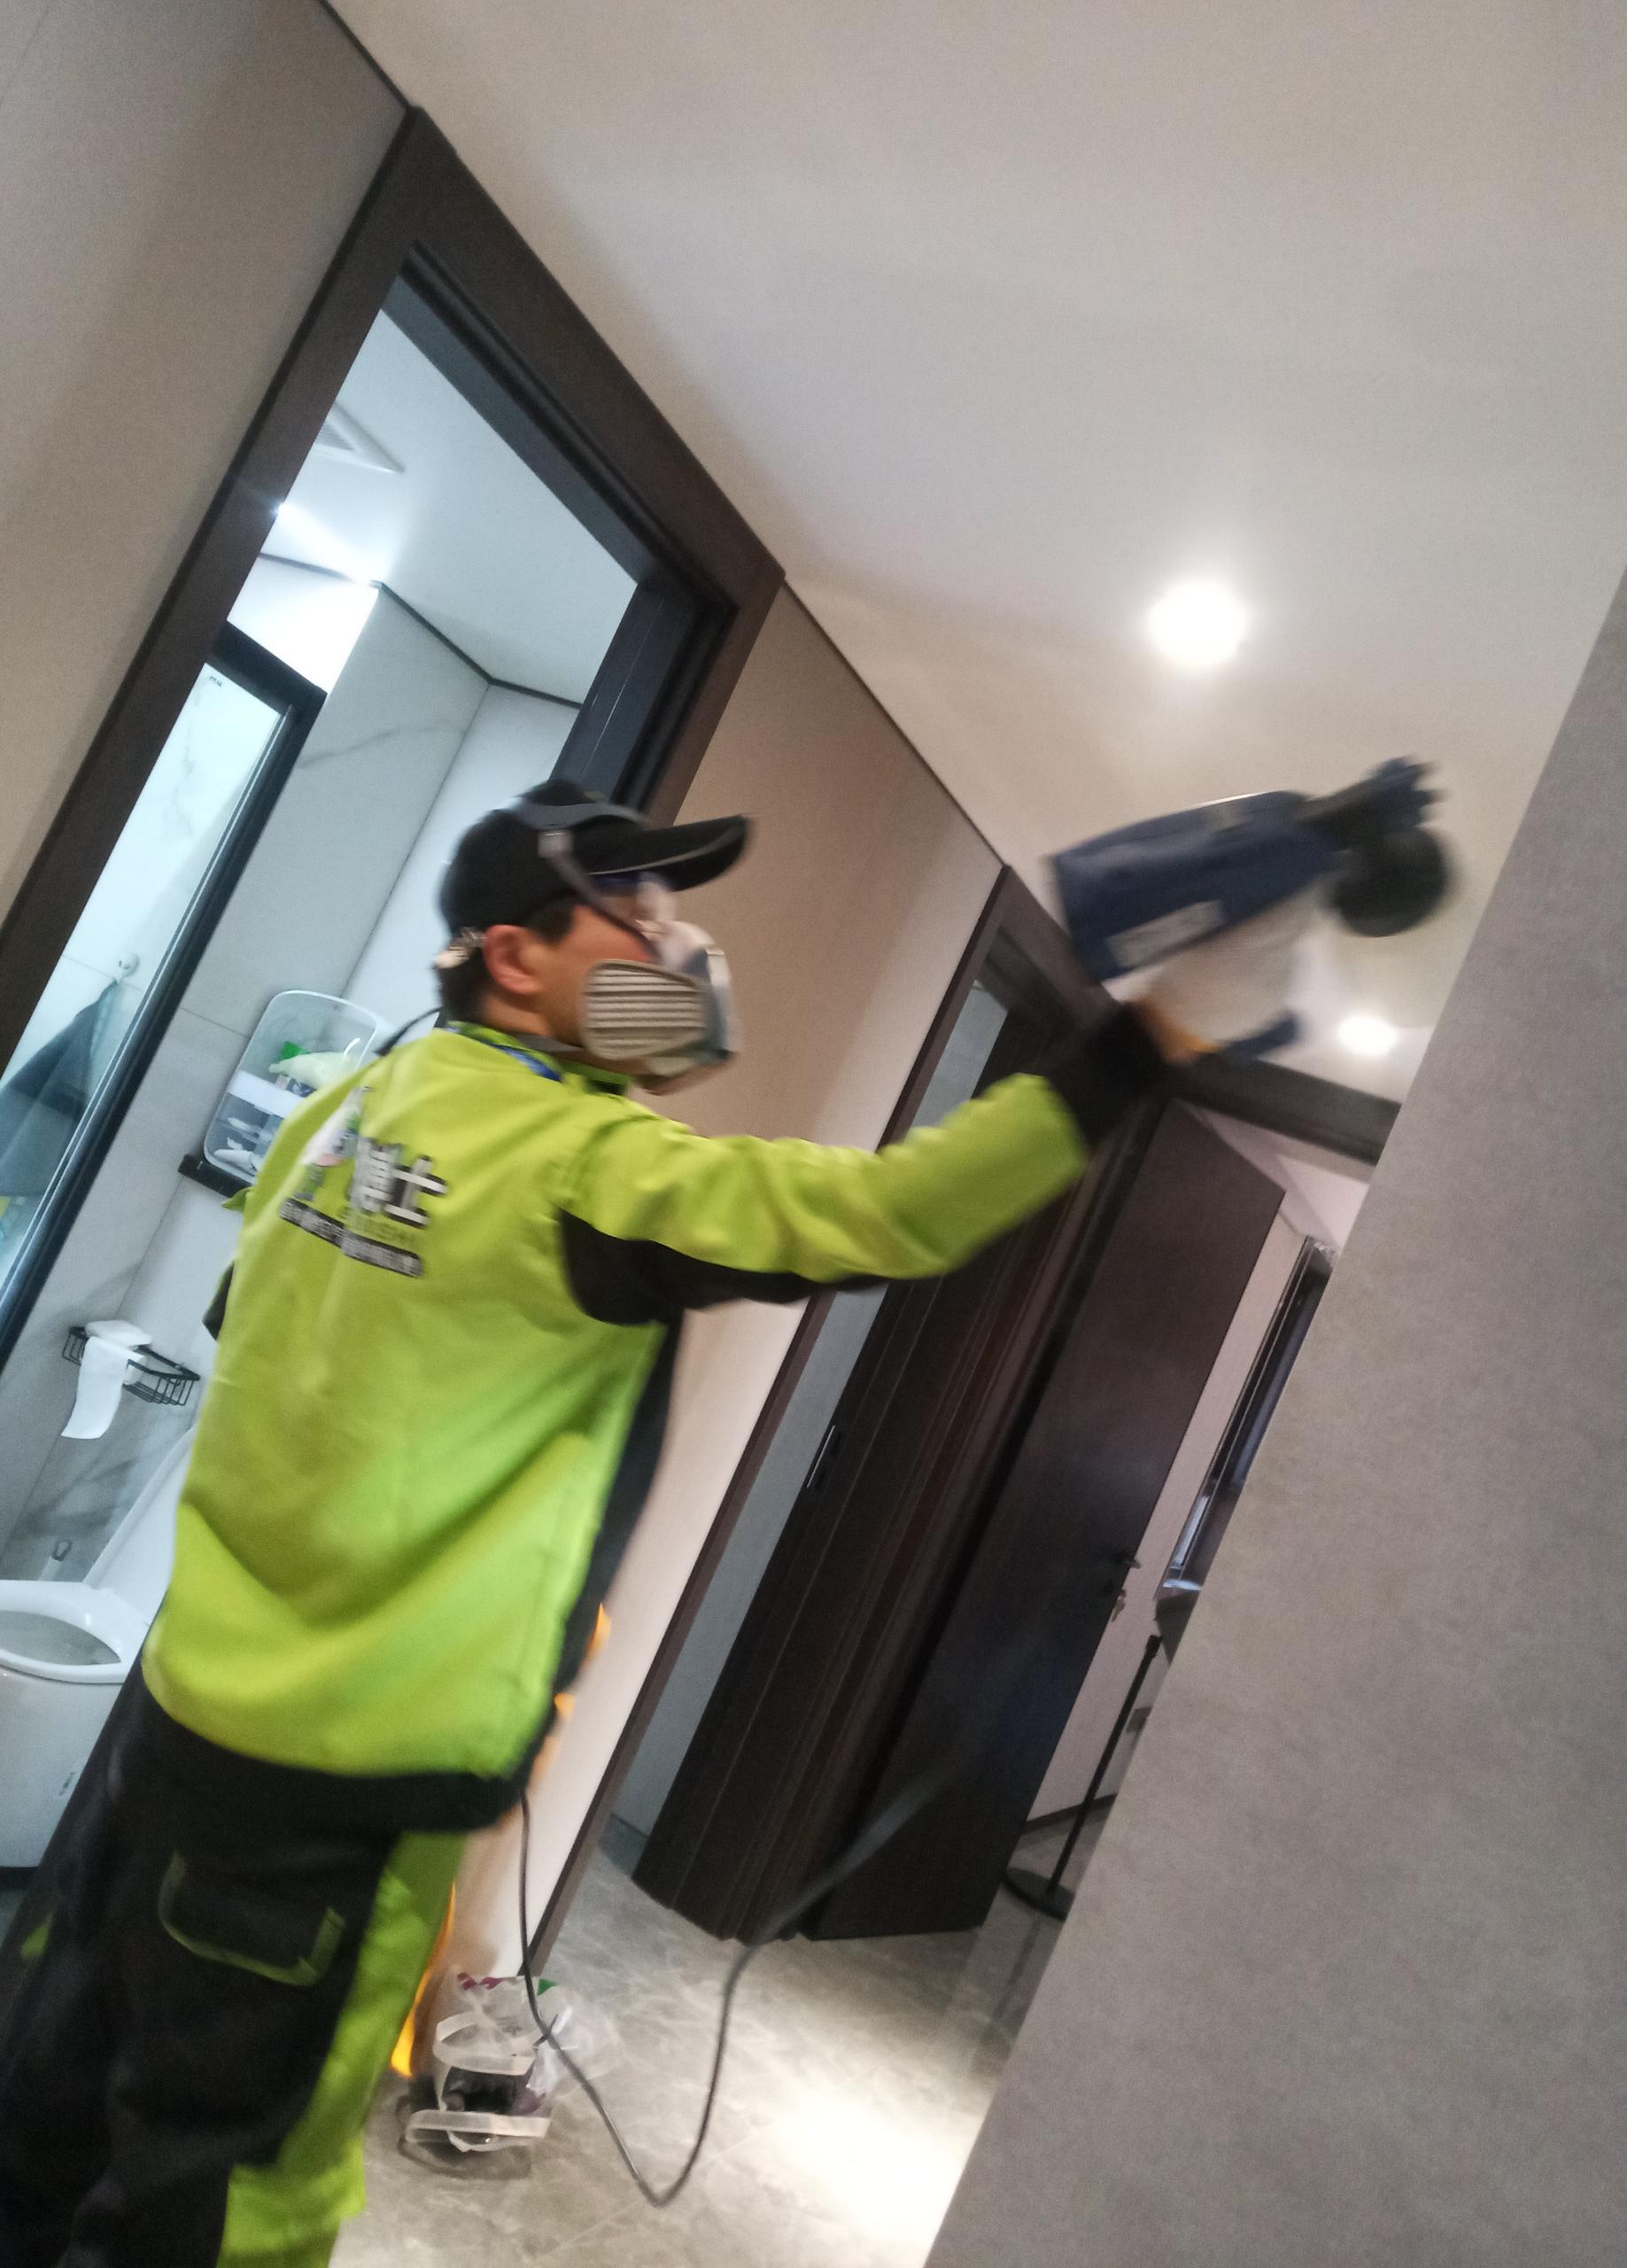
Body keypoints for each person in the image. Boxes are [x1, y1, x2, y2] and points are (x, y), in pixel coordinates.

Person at [0, 779, 1186, 2268]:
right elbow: (898, 1213)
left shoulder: (347, 1103)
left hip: (181, 1716)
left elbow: (262, 1332)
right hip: (350, 1782)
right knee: (232, 2193)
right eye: (635, 915)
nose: (674, 951)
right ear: (514, 955)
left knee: (53, 2103)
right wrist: (1139, 1045)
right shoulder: (588, 1168)